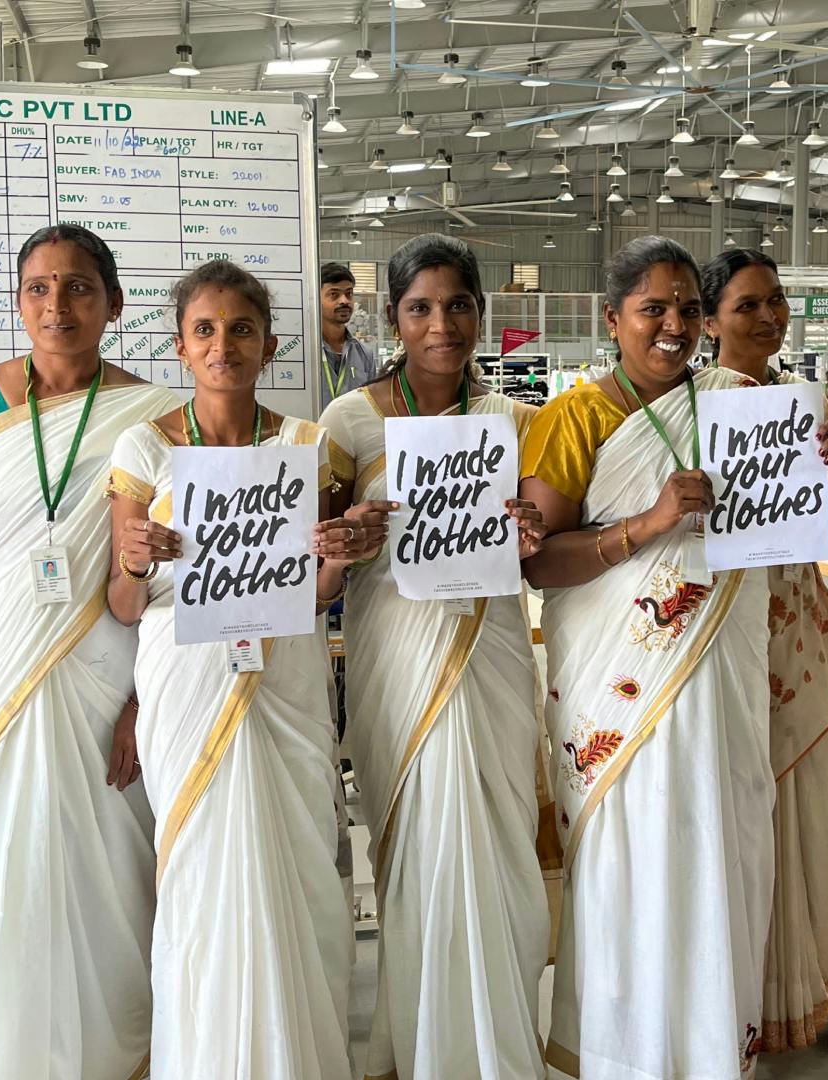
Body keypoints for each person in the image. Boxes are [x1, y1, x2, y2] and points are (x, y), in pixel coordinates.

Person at [519, 235, 828, 1080]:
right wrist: (649, 524)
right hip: (615, 687)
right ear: (612, 318)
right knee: (632, 862)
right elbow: (535, 556)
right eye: (652, 309)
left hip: (722, 678)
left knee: (719, 845)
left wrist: (818, 485)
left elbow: (778, 533)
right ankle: (626, 1053)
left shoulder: (736, 401)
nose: (673, 326)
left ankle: (708, 1047)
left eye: (688, 310)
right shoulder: (576, 417)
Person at [106, 260, 360, 1079]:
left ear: (269, 343)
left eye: (241, 329)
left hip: (283, 681)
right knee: (200, 875)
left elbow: (314, 591)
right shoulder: (145, 447)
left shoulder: (304, 447)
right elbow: (119, 601)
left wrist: (342, 555)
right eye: (206, 331)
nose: (224, 346)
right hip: (185, 687)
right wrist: (136, 563)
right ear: (180, 347)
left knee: (299, 867)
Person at [318, 235, 551, 1080]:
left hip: (488, 654)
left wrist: (531, 533)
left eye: (458, 305)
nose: (441, 324)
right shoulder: (348, 423)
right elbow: (318, 559)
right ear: (394, 318)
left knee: (495, 847)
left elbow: (545, 540)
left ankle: (497, 1046)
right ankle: (419, 1048)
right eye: (420, 307)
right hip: (396, 662)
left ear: (480, 314)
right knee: (414, 849)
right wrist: (346, 538)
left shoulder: (517, 422)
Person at [0, 223, 179, 1079]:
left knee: (104, 868)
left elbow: (166, 578)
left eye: (77, 288)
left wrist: (146, 698)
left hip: (107, 677)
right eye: (37, 287)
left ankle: (112, 1053)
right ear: (17, 299)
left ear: (113, 304)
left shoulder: (152, 418)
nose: (56, 305)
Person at [702, 248, 828, 1061]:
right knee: (738, 821)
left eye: (775, 302)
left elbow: (827, 530)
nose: (768, 318)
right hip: (719, 635)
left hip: (795, 627)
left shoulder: (811, 411)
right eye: (746, 306)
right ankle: (733, 1001)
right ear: (709, 322)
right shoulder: (686, 409)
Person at [320, 262, 377, 406]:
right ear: (315, 298)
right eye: (334, 294)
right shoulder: (304, 354)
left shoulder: (365, 355)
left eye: (349, 294)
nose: (344, 301)